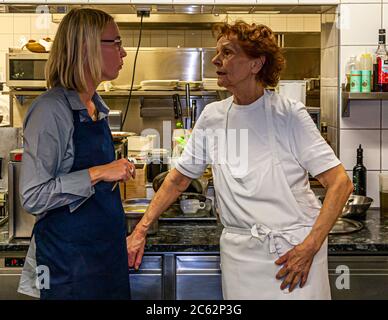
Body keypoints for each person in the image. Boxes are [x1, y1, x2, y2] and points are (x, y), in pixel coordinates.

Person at [126, 21, 353, 300]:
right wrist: (141, 229)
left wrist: (310, 246)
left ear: (256, 64)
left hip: (293, 255)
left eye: (228, 52)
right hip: (239, 257)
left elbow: (340, 183)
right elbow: (178, 179)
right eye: (218, 52)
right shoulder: (213, 116)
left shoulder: (288, 114)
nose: (215, 59)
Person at [17, 8, 135, 300]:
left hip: (106, 258)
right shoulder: (51, 109)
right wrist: (99, 172)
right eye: (116, 43)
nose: (124, 53)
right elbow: (33, 195)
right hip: (68, 266)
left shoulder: (95, 106)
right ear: (87, 48)